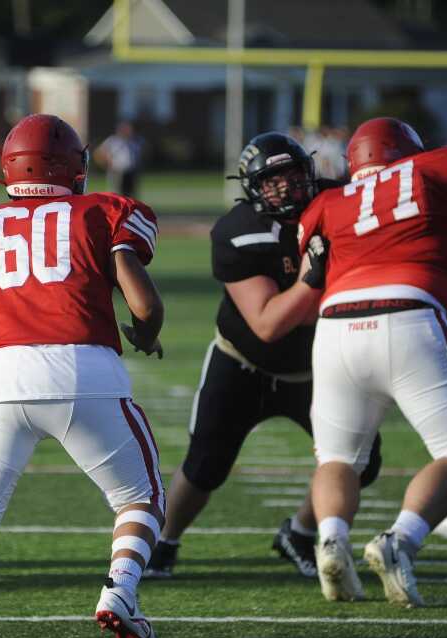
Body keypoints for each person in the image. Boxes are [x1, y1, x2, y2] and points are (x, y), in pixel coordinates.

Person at [0, 114, 166, 638]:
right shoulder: (106, 211)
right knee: (140, 499)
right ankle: (120, 591)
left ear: (6, 168)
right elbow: (145, 306)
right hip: (89, 374)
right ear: (77, 167)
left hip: (0, 381)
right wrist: (146, 335)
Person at [144, 132, 381, 580]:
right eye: (272, 182)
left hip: (318, 365)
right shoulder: (238, 231)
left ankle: (299, 531)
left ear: (311, 172)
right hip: (244, 363)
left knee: (356, 459)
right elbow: (269, 324)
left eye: (293, 176)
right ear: (252, 188)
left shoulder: (341, 200)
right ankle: (165, 542)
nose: (287, 188)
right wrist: (314, 278)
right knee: (205, 465)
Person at [294, 117, 447, 606]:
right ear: (410, 151)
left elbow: (312, 269)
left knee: (336, 457)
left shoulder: (327, 203)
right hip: (411, 312)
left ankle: (331, 540)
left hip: (335, 325)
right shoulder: (443, 165)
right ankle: (400, 540)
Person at [94, 121, 144, 197]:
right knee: (117, 194)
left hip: (131, 172)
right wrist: (106, 163)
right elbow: (99, 152)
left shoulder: (134, 141)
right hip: (117, 171)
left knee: (131, 194)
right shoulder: (113, 140)